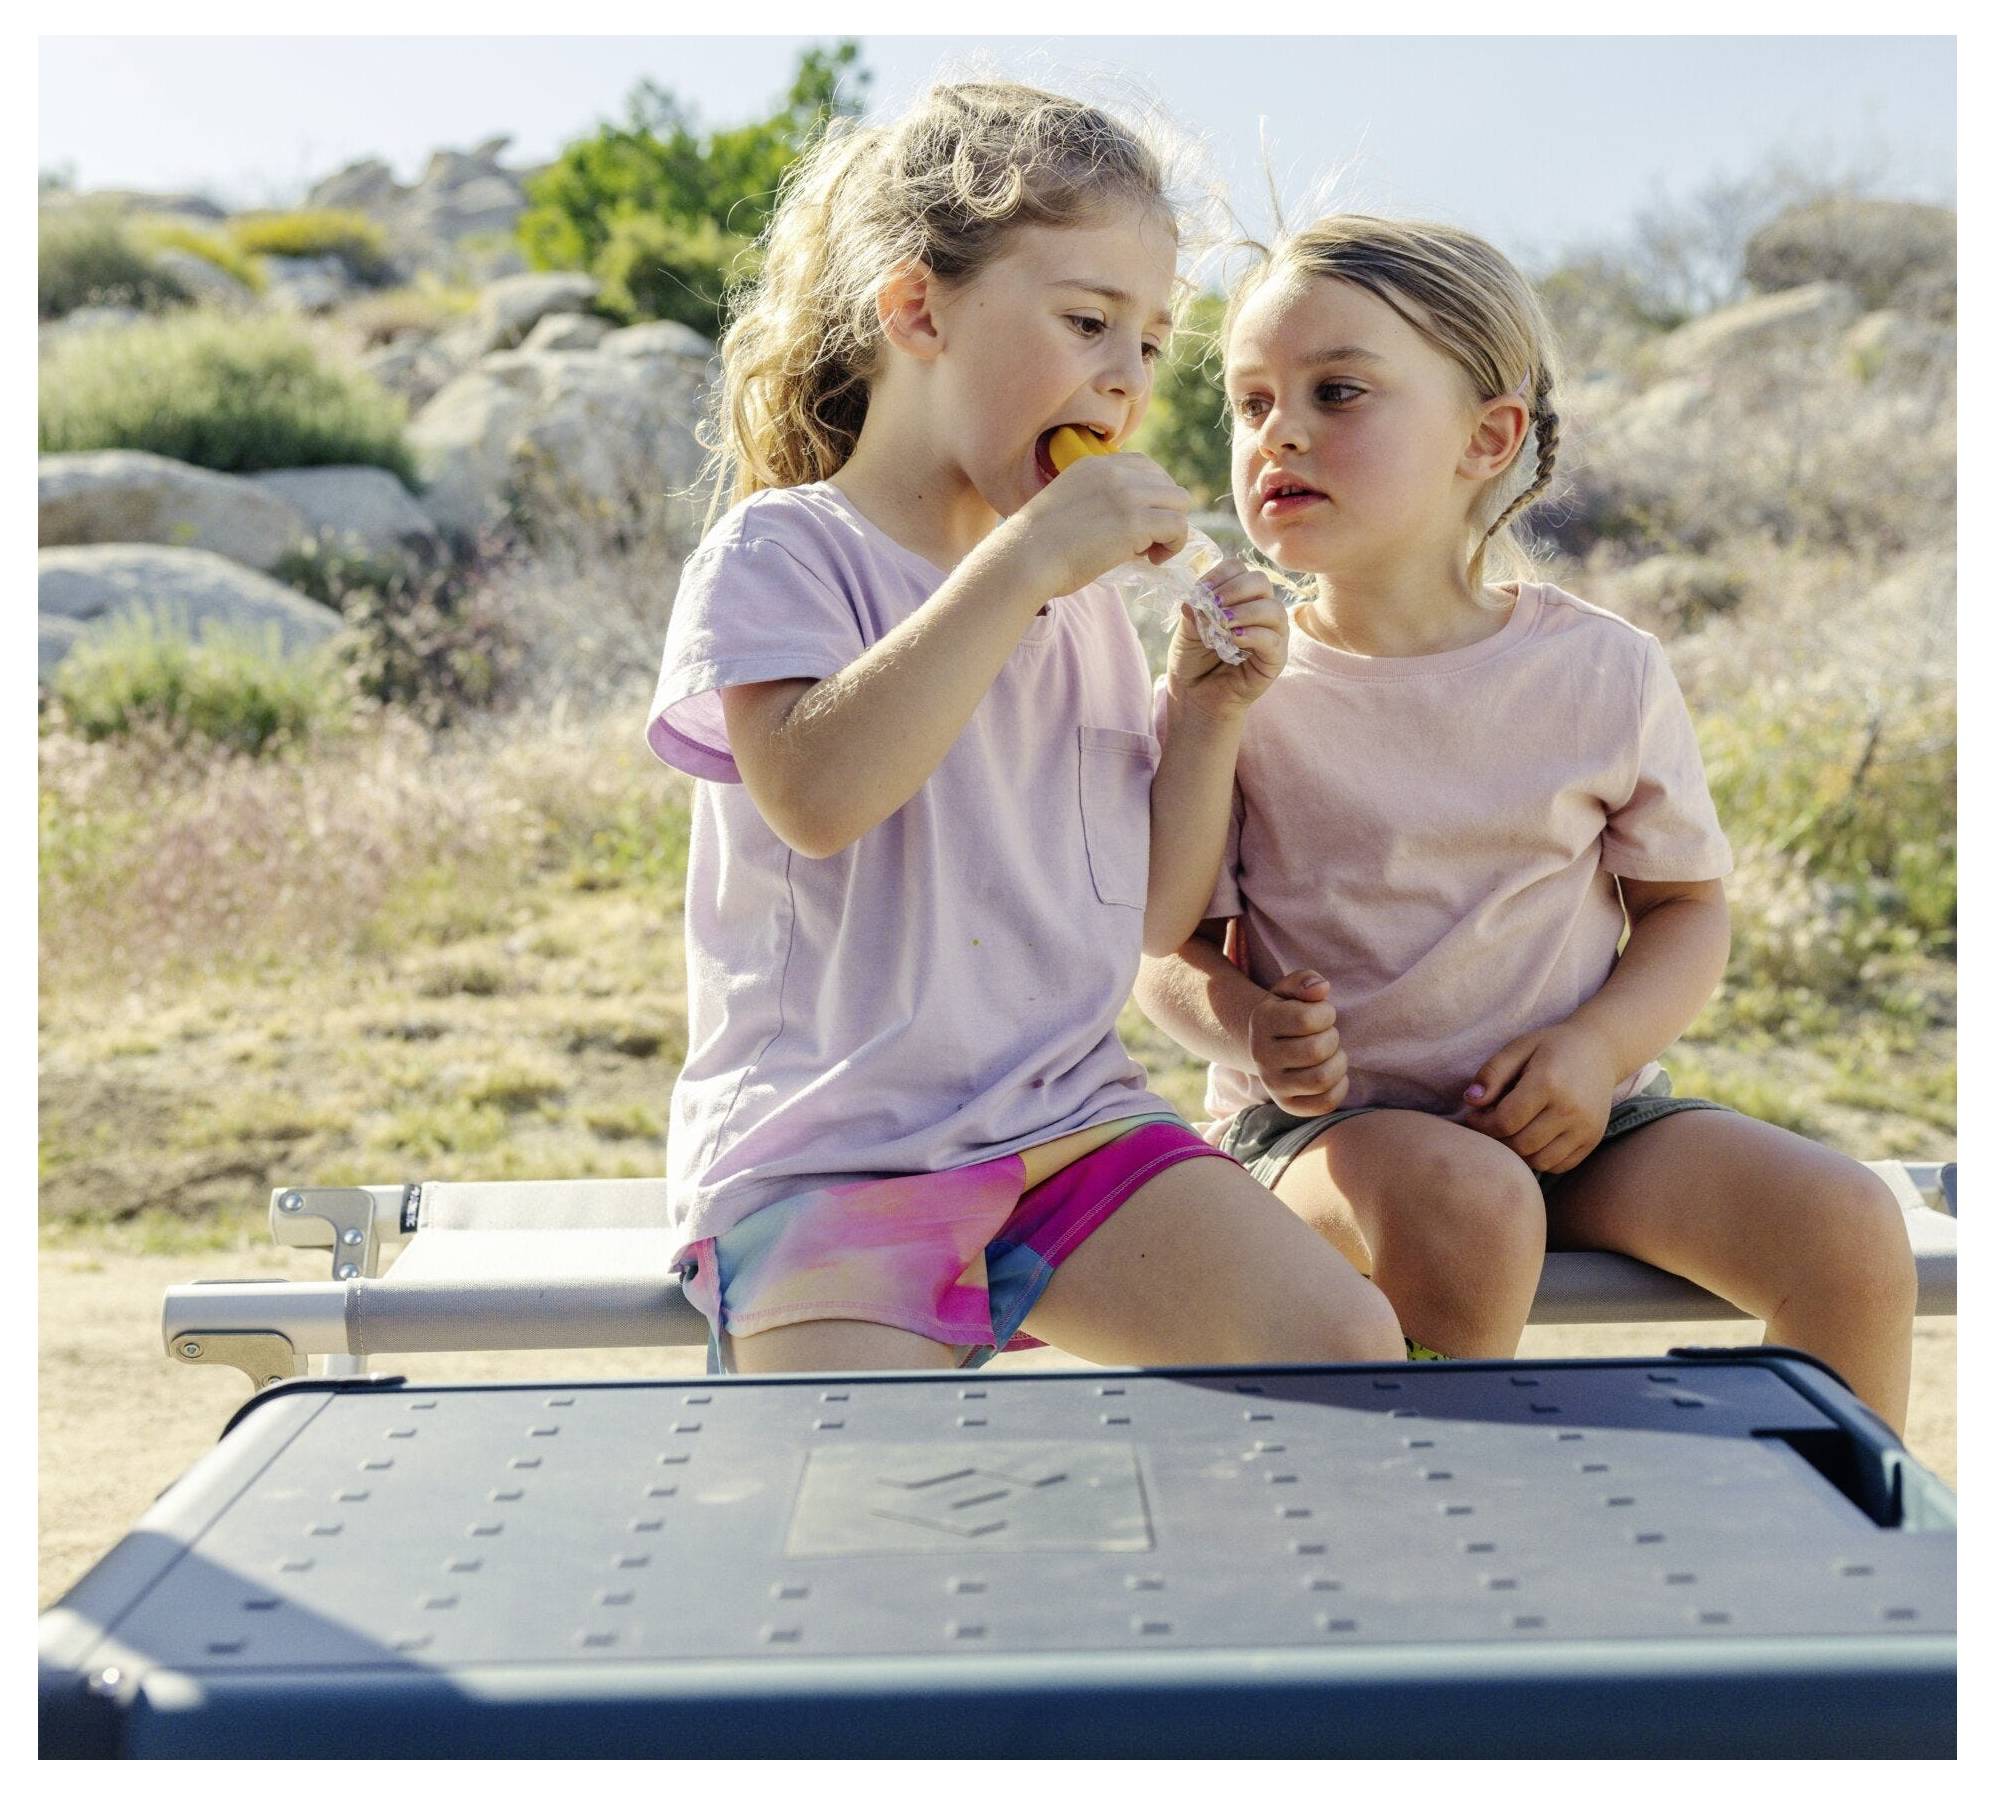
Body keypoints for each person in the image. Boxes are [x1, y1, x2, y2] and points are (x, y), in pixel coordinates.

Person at [645, 85, 1403, 1375]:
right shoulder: (783, 550)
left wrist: (1207, 716)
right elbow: (818, 795)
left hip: (1070, 1128)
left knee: (1338, 1339)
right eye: (1087, 320)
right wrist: (1025, 558)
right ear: (917, 309)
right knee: (872, 1512)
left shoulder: (1089, 607)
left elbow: (1148, 919)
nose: (1124, 375)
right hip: (833, 1158)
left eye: (1154, 344)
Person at [1133, 214, 1916, 1427]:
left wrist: (1597, 1053)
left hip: (1586, 1121)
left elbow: (1685, 912)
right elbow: (1158, 940)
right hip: (1325, 1140)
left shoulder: (1603, 671)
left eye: (1337, 391)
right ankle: (1445, 1529)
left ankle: (1834, 1563)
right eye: (1249, 402)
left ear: (1487, 437)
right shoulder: (1238, 682)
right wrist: (1240, 1012)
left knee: (1848, 1224)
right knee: (1472, 1200)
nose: (1277, 431)